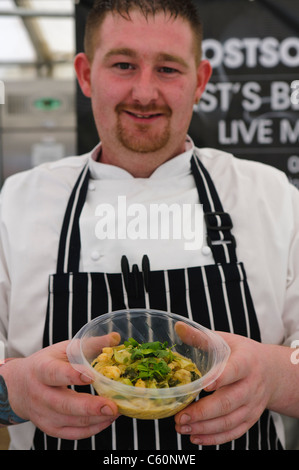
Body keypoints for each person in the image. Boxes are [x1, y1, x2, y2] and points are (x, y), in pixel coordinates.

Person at [0, 0, 299, 451]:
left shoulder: (270, 196)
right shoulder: (16, 203)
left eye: (168, 69)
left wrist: (276, 376)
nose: (144, 92)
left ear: (200, 82)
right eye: (123, 65)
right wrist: (12, 390)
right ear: (85, 74)